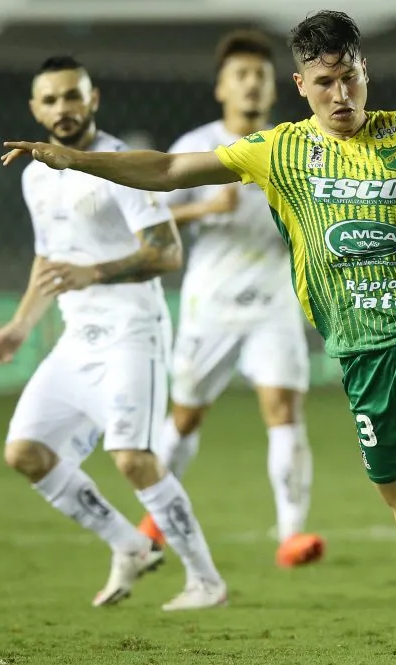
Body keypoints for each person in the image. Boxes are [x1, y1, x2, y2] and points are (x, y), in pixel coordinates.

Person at [1, 11, 396, 581]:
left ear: (364, 70)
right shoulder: (278, 150)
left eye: (350, 77)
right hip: (363, 355)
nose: (341, 94)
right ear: (301, 86)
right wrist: (79, 159)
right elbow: (170, 168)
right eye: (324, 83)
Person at [0, 56, 228, 611]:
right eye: (50, 99)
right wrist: (21, 325)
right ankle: (129, 545)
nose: (62, 108)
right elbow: (49, 258)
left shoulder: (117, 163)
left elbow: (166, 252)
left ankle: (206, 581)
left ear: (93, 100)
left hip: (131, 331)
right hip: (77, 336)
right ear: (34, 109)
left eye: (73, 96)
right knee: (25, 451)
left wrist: (93, 272)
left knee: (132, 457)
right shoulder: (34, 175)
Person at [133, 29, 325, 569]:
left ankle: (291, 534)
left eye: (260, 77)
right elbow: (147, 218)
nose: (251, 85)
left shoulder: (291, 146)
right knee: (187, 416)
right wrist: (204, 210)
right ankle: (156, 516)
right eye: (241, 76)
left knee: (283, 411)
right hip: (209, 305)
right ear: (222, 87)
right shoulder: (197, 147)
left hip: (274, 302)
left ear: (274, 88)